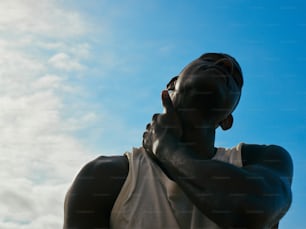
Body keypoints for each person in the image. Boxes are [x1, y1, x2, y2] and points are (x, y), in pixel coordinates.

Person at [63, 53, 293, 229]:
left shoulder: (262, 158)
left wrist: (167, 149)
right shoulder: (104, 176)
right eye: (210, 59)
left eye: (235, 78)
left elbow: (253, 211)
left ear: (227, 120)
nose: (226, 65)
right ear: (172, 85)